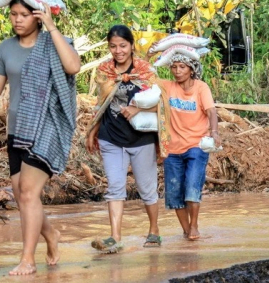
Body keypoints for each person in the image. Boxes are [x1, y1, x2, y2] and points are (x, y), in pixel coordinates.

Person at [0, 0, 80, 275]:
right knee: (22, 197)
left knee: (30, 193)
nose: (18, 20)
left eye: (24, 15)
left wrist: (52, 27)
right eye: (13, 14)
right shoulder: (6, 48)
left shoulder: (54, 43)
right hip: (17, 130)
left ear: (36, 17)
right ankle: (51, 235)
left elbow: (73, 67)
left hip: (47, 129)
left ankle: (27, 259)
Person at [85, 26, 163, 252]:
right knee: (115, 187)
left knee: (146, 189)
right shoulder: (104, 70)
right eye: (113, 46)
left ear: (131, 46)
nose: (118, 51)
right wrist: (92, 131)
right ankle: (115, 237)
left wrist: (136, 108)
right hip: (111, 137)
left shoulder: (145, 70)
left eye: (122, 46)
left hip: (141, 139)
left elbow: (159, 100)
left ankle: (154, 231)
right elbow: (101, 103)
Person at [160, 56, 219, 240]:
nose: (177, 71)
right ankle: (186, 231)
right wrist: (148, 56)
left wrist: (215, 131)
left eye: (182, 67)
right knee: (174, 192)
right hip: (172, 148)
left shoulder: (201, 88)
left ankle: (194, 226)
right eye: (174, 67)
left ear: (191, 69)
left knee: (192, 186)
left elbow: (211, 111)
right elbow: (146, 77)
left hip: (196, 145)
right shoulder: (168, 87)